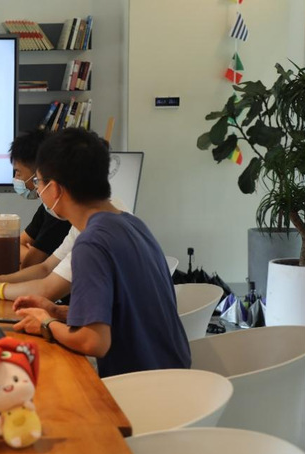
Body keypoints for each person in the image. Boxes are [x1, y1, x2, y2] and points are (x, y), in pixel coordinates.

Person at [12, 129, 191, 378]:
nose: (38, 190)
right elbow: (124, 312)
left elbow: (93, 341)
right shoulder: (130, 223)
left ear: (55, 189)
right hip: (174, 376)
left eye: (39, 182)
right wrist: (57, 312)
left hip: (141, 386)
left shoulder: (91, 244)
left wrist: (46, 323)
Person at [8, 128, 72, 269]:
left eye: (18, 172)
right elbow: (15, 246)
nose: (15, 178)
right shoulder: (48, 208)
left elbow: (33, 266)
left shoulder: (60, 214)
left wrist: (34, 256)